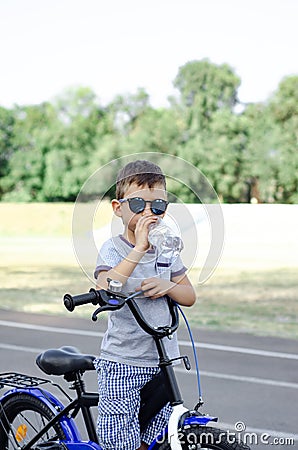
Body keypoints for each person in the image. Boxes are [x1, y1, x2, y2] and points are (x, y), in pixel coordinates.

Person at [93, 160, 196, 450]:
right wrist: (139, 248)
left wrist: (170, 286)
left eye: (158, 206)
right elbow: (106, 286)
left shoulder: (167, 249)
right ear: (118, 208)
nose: (149, 213)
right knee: (120, 443)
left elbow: (189, 296)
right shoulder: (113, 248)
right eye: (138, 204)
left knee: (158, 439)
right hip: (123, 362)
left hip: (163, 361)